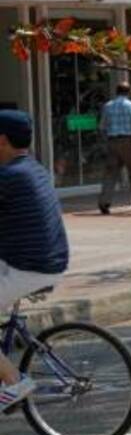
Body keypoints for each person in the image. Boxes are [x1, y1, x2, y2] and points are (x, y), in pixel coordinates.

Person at [0, 110, 69, 409]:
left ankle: (14, 383)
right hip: (45, 263)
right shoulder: (34, 169)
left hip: (27, 267)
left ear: (1, 140)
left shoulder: (8, 176)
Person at [97, 81, 131, 215]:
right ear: (128, 92)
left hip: (113, 141)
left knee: (110, 173)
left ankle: (104, 202)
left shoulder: (108, 106)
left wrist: (106, 141)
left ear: (116, 91)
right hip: (129, 140)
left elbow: (102, 126)